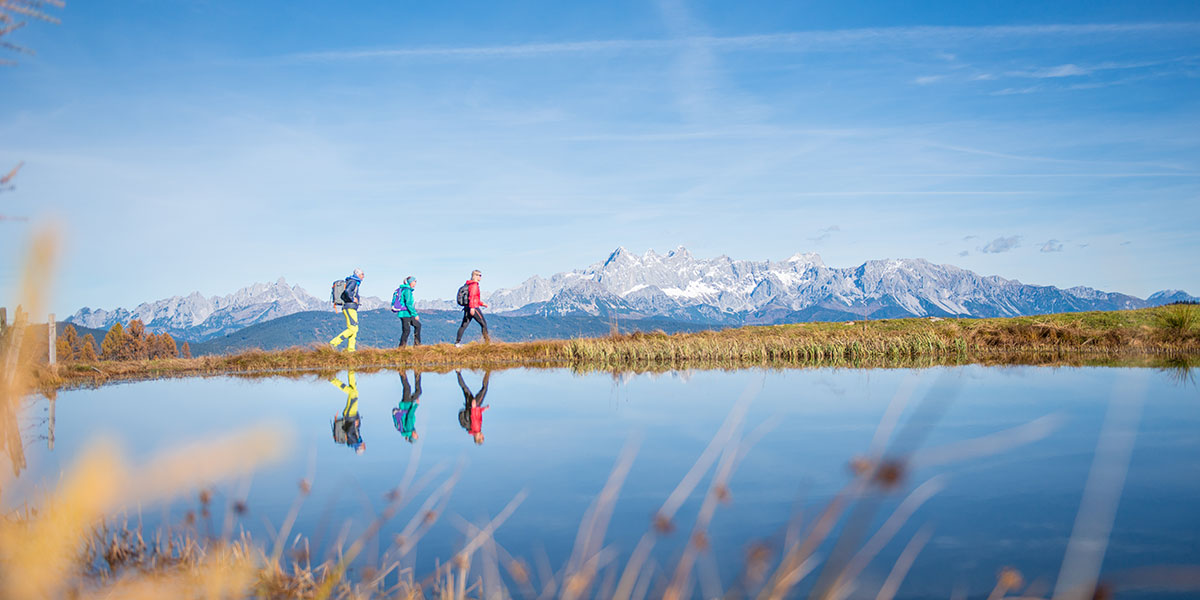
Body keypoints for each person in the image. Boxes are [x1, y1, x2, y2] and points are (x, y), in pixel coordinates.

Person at [330, 370, 365, 454]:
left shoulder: (354, 441)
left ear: (359, 447)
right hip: (353, 414)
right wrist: (357, 420)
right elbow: (356, 428)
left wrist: (355, 422)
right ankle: (351, 371)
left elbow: (349, 432)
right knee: (354, 389)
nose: (365, 446)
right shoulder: (357, 439)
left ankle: (333, 380)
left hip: (349, 415)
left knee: (353, 393)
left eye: (363, 448)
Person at [330, 269, 364, 352]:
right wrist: (352, 299)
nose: (363, 276)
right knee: (352, 328)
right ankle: (334, 343)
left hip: (351, 308)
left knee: (355, 329)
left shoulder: (353, 282)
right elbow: (347, 291)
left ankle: (351, 350)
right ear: (358, 274)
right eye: (362, 274)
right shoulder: (353, 282)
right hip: (349, 307)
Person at [455, 269, 490, 347]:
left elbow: (474, 298)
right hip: (473, 308)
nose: (481, 277)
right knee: (483, 324)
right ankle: (487, 342)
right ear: (475, 276)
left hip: (467, 307)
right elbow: (472, 297)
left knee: (463, 325)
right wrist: (472, 308)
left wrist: (482, 303)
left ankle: (457, 343)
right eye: (480, 275)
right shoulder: (474, 285)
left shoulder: (469, 284)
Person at [456, 369, 490, 445]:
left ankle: (488, 371)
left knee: (484, 389)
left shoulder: (477, 428)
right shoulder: (472, 430)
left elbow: (474, 417)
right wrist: (484, 409)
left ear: (478, 437)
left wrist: (474, 407)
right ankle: (458, 372)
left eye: (482, 438)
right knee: (465, 389)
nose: (483, 435)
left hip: (475, 405)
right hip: (470, 407)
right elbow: (477, 415)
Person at [392, 370, 422, 443]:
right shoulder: (408, 430)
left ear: (412, 436)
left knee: (407, 388)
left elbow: (410, 416)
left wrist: (416, 405)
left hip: (406, 405)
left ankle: (402, 372)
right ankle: (416, 372)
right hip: (407, 404)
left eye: (416, 436)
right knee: (417, 391)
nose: (417, 434)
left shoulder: (409, 428)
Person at [393, 276, 421, 347]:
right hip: (405, 314)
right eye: (414, 281)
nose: (415, 283)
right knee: (406, 331)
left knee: (417, 325)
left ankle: (417, 344)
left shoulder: (404, 289)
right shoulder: (407, 291)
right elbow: (408, 304)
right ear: (410, 282)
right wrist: (415, 314)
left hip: (406, 313)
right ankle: (402, 347)